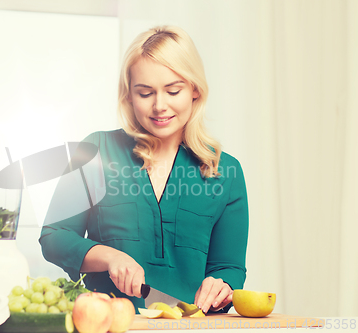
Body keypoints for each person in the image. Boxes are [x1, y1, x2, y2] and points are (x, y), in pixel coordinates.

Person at [39, 25, 248, 314]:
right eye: (145, 93)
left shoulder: (225, 171)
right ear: (128, 96)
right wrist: (110, 257)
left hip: (192, 327)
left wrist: (223, 284)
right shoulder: (95, 151)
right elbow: (55, 236)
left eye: (173, 90)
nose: (160, 106)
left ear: (195, 90)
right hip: (107, 323)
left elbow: (230, 267)